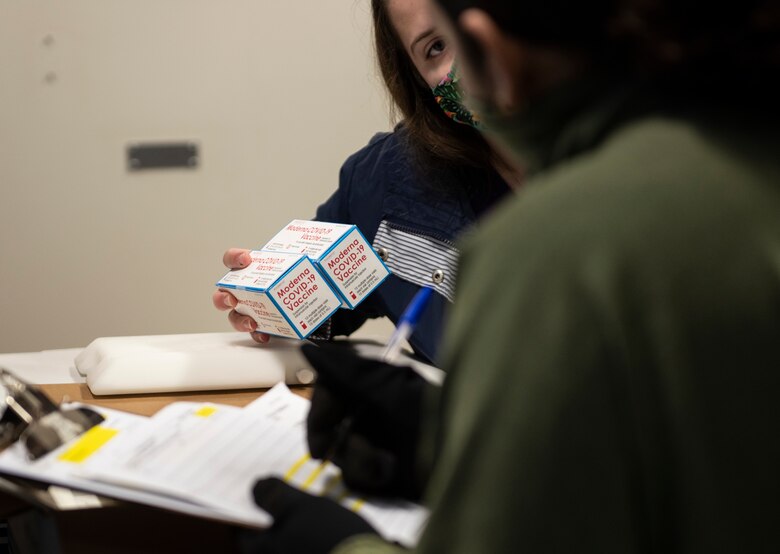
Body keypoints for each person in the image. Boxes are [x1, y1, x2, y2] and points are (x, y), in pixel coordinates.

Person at [245, 0, 780, 552]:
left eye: (450, 39)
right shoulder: (391, 179)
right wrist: (456, 439)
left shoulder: (553, 248)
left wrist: (345, 548)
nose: (452, 69)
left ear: (492, 53)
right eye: (430, 50)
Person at [213, 0, 518, 364]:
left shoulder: (601, 166)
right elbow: (321, 302)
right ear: (415, 77)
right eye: (435, 47)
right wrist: (263, 298)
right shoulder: (390, 179)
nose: (468, 55)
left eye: (469, 18)